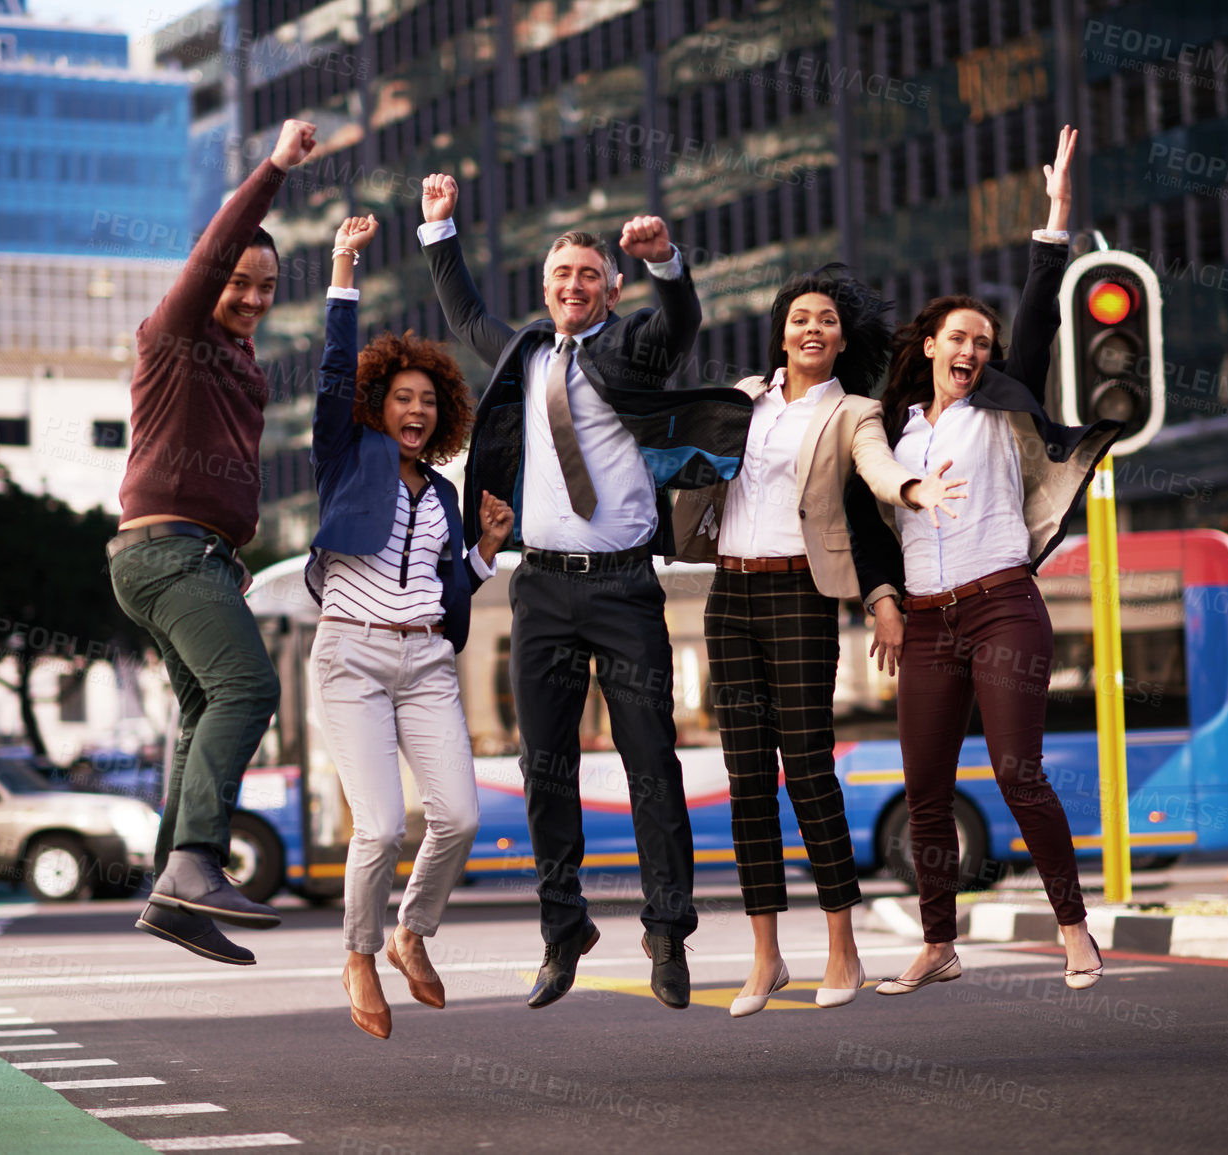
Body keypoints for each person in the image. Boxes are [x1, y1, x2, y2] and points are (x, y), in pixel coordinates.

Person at [418, 172, 753, 1010]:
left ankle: (668, 930)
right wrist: (440, 229)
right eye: (560, 277)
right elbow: (463, 316)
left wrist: (668, 263)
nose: (573, 288)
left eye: (588, 276)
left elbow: (680, 323)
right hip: (540, 593)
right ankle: (563, 929)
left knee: (650, 764)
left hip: (623, 589)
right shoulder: (525, 353)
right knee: (546, 767)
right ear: (545, 290)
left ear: (610, 287)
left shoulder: (628, 343)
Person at [845, 126, 1118, 994]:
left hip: (1002, 602)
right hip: (925, 620)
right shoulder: (892, 431)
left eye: (983, 343)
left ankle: (1075, 929)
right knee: (923, 785)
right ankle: (937, 941)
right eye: (958, 338)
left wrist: (1055, 218)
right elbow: (860, 511)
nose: (972, 351)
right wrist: (882, 595)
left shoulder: (1001, 407)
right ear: (928, 345)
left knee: (1015, 771)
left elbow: (1037, 313)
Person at [669, 269, 967, 1016]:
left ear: (840, 338)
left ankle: (842, 945)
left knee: (805, 769)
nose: (811, 328)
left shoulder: (855, 412)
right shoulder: (743, 398)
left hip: (802, 594)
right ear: (781, 331)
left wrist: (913, 489)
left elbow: (874, 469)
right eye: (799, 317)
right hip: (729, 593)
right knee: (745, 780)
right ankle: (766, 956)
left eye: (826, 320)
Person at [108, 119, 320, 965]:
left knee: (203, 707)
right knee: (249, 688)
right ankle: (196, 863)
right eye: (239, 282)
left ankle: (174, 887)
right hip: (169, 552)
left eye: (267, 287)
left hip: (194, 559)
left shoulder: (241, 361)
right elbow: (216, 250)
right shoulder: (174, 335)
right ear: (210, 278)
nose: (254, 298)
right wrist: (273, 167)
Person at [305, 213, 514, 1039]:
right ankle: (357, 952)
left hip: (425, 661)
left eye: (429, 400)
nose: (417, 409)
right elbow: (328, 375)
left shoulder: (444, 497)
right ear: (376, 404)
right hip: (350, 657)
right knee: (382, 825)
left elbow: (444, 594)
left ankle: (409, 934)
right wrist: (343, 270)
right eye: (403, 397)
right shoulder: (345, 457)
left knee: (459, 816)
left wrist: (487, 551)